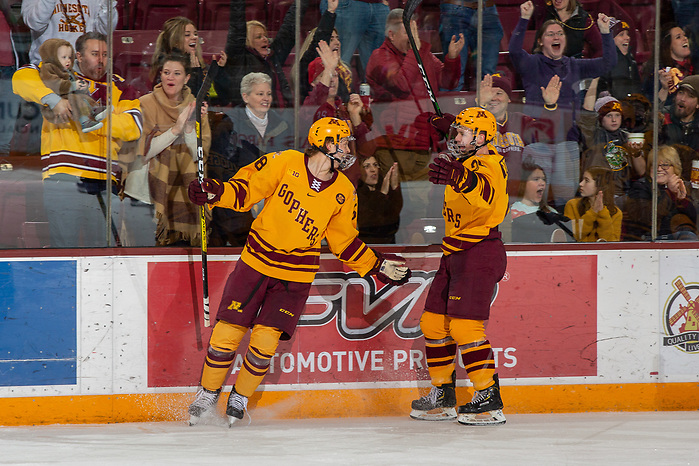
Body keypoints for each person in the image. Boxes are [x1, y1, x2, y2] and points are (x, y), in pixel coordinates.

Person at [186, 117, 411, 426]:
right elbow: (245, 190)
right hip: (256, 261)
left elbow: (344, 243)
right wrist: (214, 193)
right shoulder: (285, 162)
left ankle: (239, 396)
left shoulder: (344, 190)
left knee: (265, 342)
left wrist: (376, 264)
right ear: (327, 143)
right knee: (227, 332)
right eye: (344, 142)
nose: (348, 149)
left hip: (296, 275)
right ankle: (208, 392)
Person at [410, 108, 508, 426]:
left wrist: (459, 177)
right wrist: (452, 122)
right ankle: (443, 395)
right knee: (434, 324)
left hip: (480, 250)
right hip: (453, 251)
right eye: (456, 132)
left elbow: (487, 195)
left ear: (482, 138)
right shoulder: (470, 158)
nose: (455, 138)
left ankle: (489, 397)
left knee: (465, 328)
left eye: (463, 133)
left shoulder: (488, 162)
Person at [11, 31, 142, 247]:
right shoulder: (61, 74)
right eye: (94, 53)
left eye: (106, 54)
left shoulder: (121, 87)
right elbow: (20, 77)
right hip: (65, 177)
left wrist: (91, 121)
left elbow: (134, 127)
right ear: (78, 57)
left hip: (105, 180)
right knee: (65, 252)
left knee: (103, 257)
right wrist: (54, 100)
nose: (101, 60)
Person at [365, 8, 464, 180]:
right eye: (408, 32)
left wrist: (452, 58)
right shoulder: (379, 57)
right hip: (393, 145)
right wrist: (416, 51)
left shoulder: (420, 54)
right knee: (395, 202)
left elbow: (448, 82)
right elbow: (401, 85)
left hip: (423, 144)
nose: (414, 36)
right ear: (391, 34)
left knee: (421, 204)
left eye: (415, 30)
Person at [129, 53, 210, 247]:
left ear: (187, 78)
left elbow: (199, 156)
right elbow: (143, 152)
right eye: (166, 72)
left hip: (183, 200)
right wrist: (175, 130)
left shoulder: (196, 108)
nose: (170, 77)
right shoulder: (144, 104)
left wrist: (189, 125)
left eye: (176, 73)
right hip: (144, 197)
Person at [207, 72, 292, 247]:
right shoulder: (228, 124)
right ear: (245, 96)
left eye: (268, 94)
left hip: (272, 203)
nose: (266, 98)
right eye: (260, 94)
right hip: (237, 205)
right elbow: (221, 169)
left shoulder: (282, 126)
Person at [509, 1, 616, 111]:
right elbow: (514, 51)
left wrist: (605, 32)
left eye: (560, 34)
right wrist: (524, 18)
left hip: (568, 126)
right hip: (537, 126)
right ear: (540, 41)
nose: (556, 37)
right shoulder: (532, 64)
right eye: (550, 34)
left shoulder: (574, 65)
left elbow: (609, 63)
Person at [304, 40, 373, 185]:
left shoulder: (343, 109)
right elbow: (314, 104)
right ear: (313, 83)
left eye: (335, 75)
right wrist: (329, 68)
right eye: (326, 75)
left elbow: (367, 151)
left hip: (349, 185)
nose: (332, 79)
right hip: (322, 184)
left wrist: (355, 117)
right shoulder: (311, 108)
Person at [216, 0, 308, 108]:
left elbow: (289, 28)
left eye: (265, 36)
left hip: (281, 118)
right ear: (248, 41)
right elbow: (237, 27)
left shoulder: (273, 57)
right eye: (258, 37)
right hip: (248, 119)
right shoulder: (240, 59)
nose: (265, 39)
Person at [623, 145, 697, 241]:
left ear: (675, 167)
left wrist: (682, 199)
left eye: (665, 165)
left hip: (678, 236)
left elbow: (694, 218)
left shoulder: (685, 186)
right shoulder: (640, 186)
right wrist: (669, 193)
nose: (659, 169)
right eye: (654, 165)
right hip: (648, 238)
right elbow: (645, 217)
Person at [150, 16, 227, 101]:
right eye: (187, 35)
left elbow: (223, 98)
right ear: (175, 41)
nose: (194, 37)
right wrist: (195, 74)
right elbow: (185, 100)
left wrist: (219, 72)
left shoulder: (200, 65)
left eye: (195, 34)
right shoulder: (166, 66)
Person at [37, 38, 105, 133]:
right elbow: (54, 85)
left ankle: (95, 110)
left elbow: (74, 81)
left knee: (84, 97)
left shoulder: (68, 70)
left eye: (69, 57)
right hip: (53, 108)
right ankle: (85, 122)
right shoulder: (48, 68)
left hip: (67, 96)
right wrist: (72, 86)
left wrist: (82, 86)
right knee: (76, 100)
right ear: (53, 57)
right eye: (64, 57)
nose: (68, 61)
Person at [21, 0, 117, 65]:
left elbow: (105, 30)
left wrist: (108, 4)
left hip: (84, 66)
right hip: (47, 66)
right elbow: (35, 24)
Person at [438, 0, 504, 90]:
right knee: (454, 72)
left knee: (488, 76)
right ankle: (451, 103)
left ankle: (485, 103)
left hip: (487, 8)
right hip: (456, 6)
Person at [319, 0, 389, 81]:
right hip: (345, 4)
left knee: (378, 73)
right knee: (338, 64)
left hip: (378, 5)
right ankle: (337, 92)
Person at [507, 161, 564, 242]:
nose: (542, 183)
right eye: (536, 179)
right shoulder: (510, 212)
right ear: (523, 183)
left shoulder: (551, 212)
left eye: (543, 179)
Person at [642, 23, 695, 105]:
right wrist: (664, 88)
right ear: (668, 45)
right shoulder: (659, 71)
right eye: (678, 37)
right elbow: (653, 105)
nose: (685, 39)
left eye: (684, 35)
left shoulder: (695, 65)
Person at [564, 166, 622, 242]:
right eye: (582, 180)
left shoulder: (616, 213)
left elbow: (611, 242)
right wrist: (593, 212)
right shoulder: (572, 205)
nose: (581, 184)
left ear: (600, 185)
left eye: (586, 180)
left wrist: (602, 212)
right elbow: (572, 236)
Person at [357, 156, 402, 244]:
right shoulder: (356, 194)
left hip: (390, 245)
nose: (373, 169)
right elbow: (369, 223)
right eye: (367, 166)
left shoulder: (386, 190)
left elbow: (396, 217)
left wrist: (394, 187)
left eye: (375, 165)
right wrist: (382, 194)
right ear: (358, 171)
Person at [535, 0, 602, 59]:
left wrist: (587, 68)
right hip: (547, 68)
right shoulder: (544, 16)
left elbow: (601, 49)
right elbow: (536, 49)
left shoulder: (584, 21)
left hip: (574, 69)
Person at [597, 20, 642, 100]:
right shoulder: (606, 61)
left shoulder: (631, 60)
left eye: (627, 34)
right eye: (621, 35)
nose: (627, 38)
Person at [660, 74, 699, 153]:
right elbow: (650, 119)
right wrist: (664, 89)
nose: (682, 99)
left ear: (698, 104)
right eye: (681, 92)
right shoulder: (664, 117)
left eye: (690, 96)